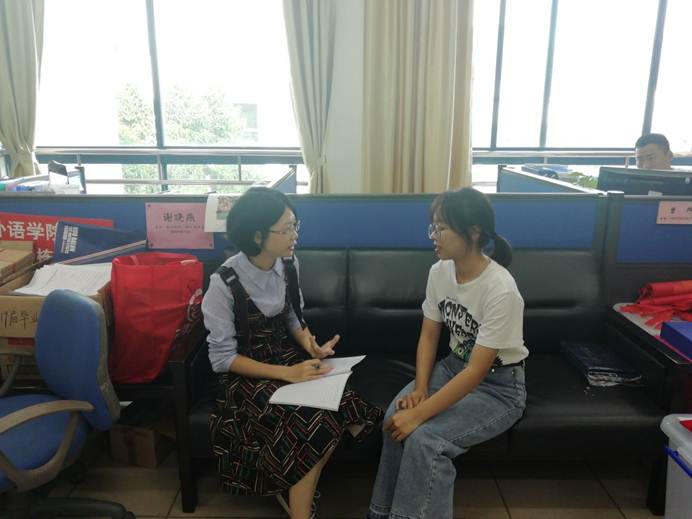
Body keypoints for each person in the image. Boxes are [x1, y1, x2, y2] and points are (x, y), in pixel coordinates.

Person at [202, 187, 382, 519]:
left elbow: (291, 317)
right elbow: (222, 359)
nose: (294, 235)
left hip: (286, 358)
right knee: (315, 420)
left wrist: (309, 344)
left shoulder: (289, 264)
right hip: (247, 374)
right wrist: (287, 373)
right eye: (285, 229)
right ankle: (301, 511)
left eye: (295, 225)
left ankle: (296, 491)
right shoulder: (224, 283)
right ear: (257, 235)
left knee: (347, 405)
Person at [367, 187, 528, 519]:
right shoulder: (440, 271)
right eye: (433, 227)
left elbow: (477, 371)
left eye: (441, 228)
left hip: (499, 387)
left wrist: (420, 414)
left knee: (426, 439)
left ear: (474, 232)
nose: (433, 236)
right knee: (394, 418)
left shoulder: (500, 289)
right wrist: (420, 389)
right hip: (453, 367)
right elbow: (429, 335)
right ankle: (380, 512)